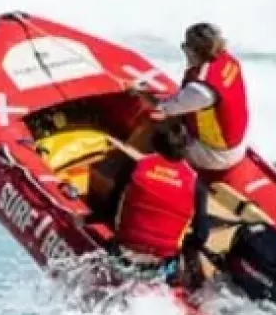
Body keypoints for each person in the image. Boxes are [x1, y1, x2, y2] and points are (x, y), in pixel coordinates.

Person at [106, 123, 211, 287]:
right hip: (161, 265)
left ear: (154, 143)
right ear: (185, 149)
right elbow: (202, 234)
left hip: (123, 253)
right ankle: (194, 291)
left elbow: (111, 204)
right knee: (191, 250)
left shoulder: (136, 166)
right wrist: (187, 246)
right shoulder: (197, 185)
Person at [145, 22, 250, 172]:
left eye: (185, 46)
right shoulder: (229, 61)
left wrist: (142, 93)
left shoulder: (201, 89)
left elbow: (164, 108)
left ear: (193, 51)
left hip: (214, 155)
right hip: (237, 143)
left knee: (160, 134)